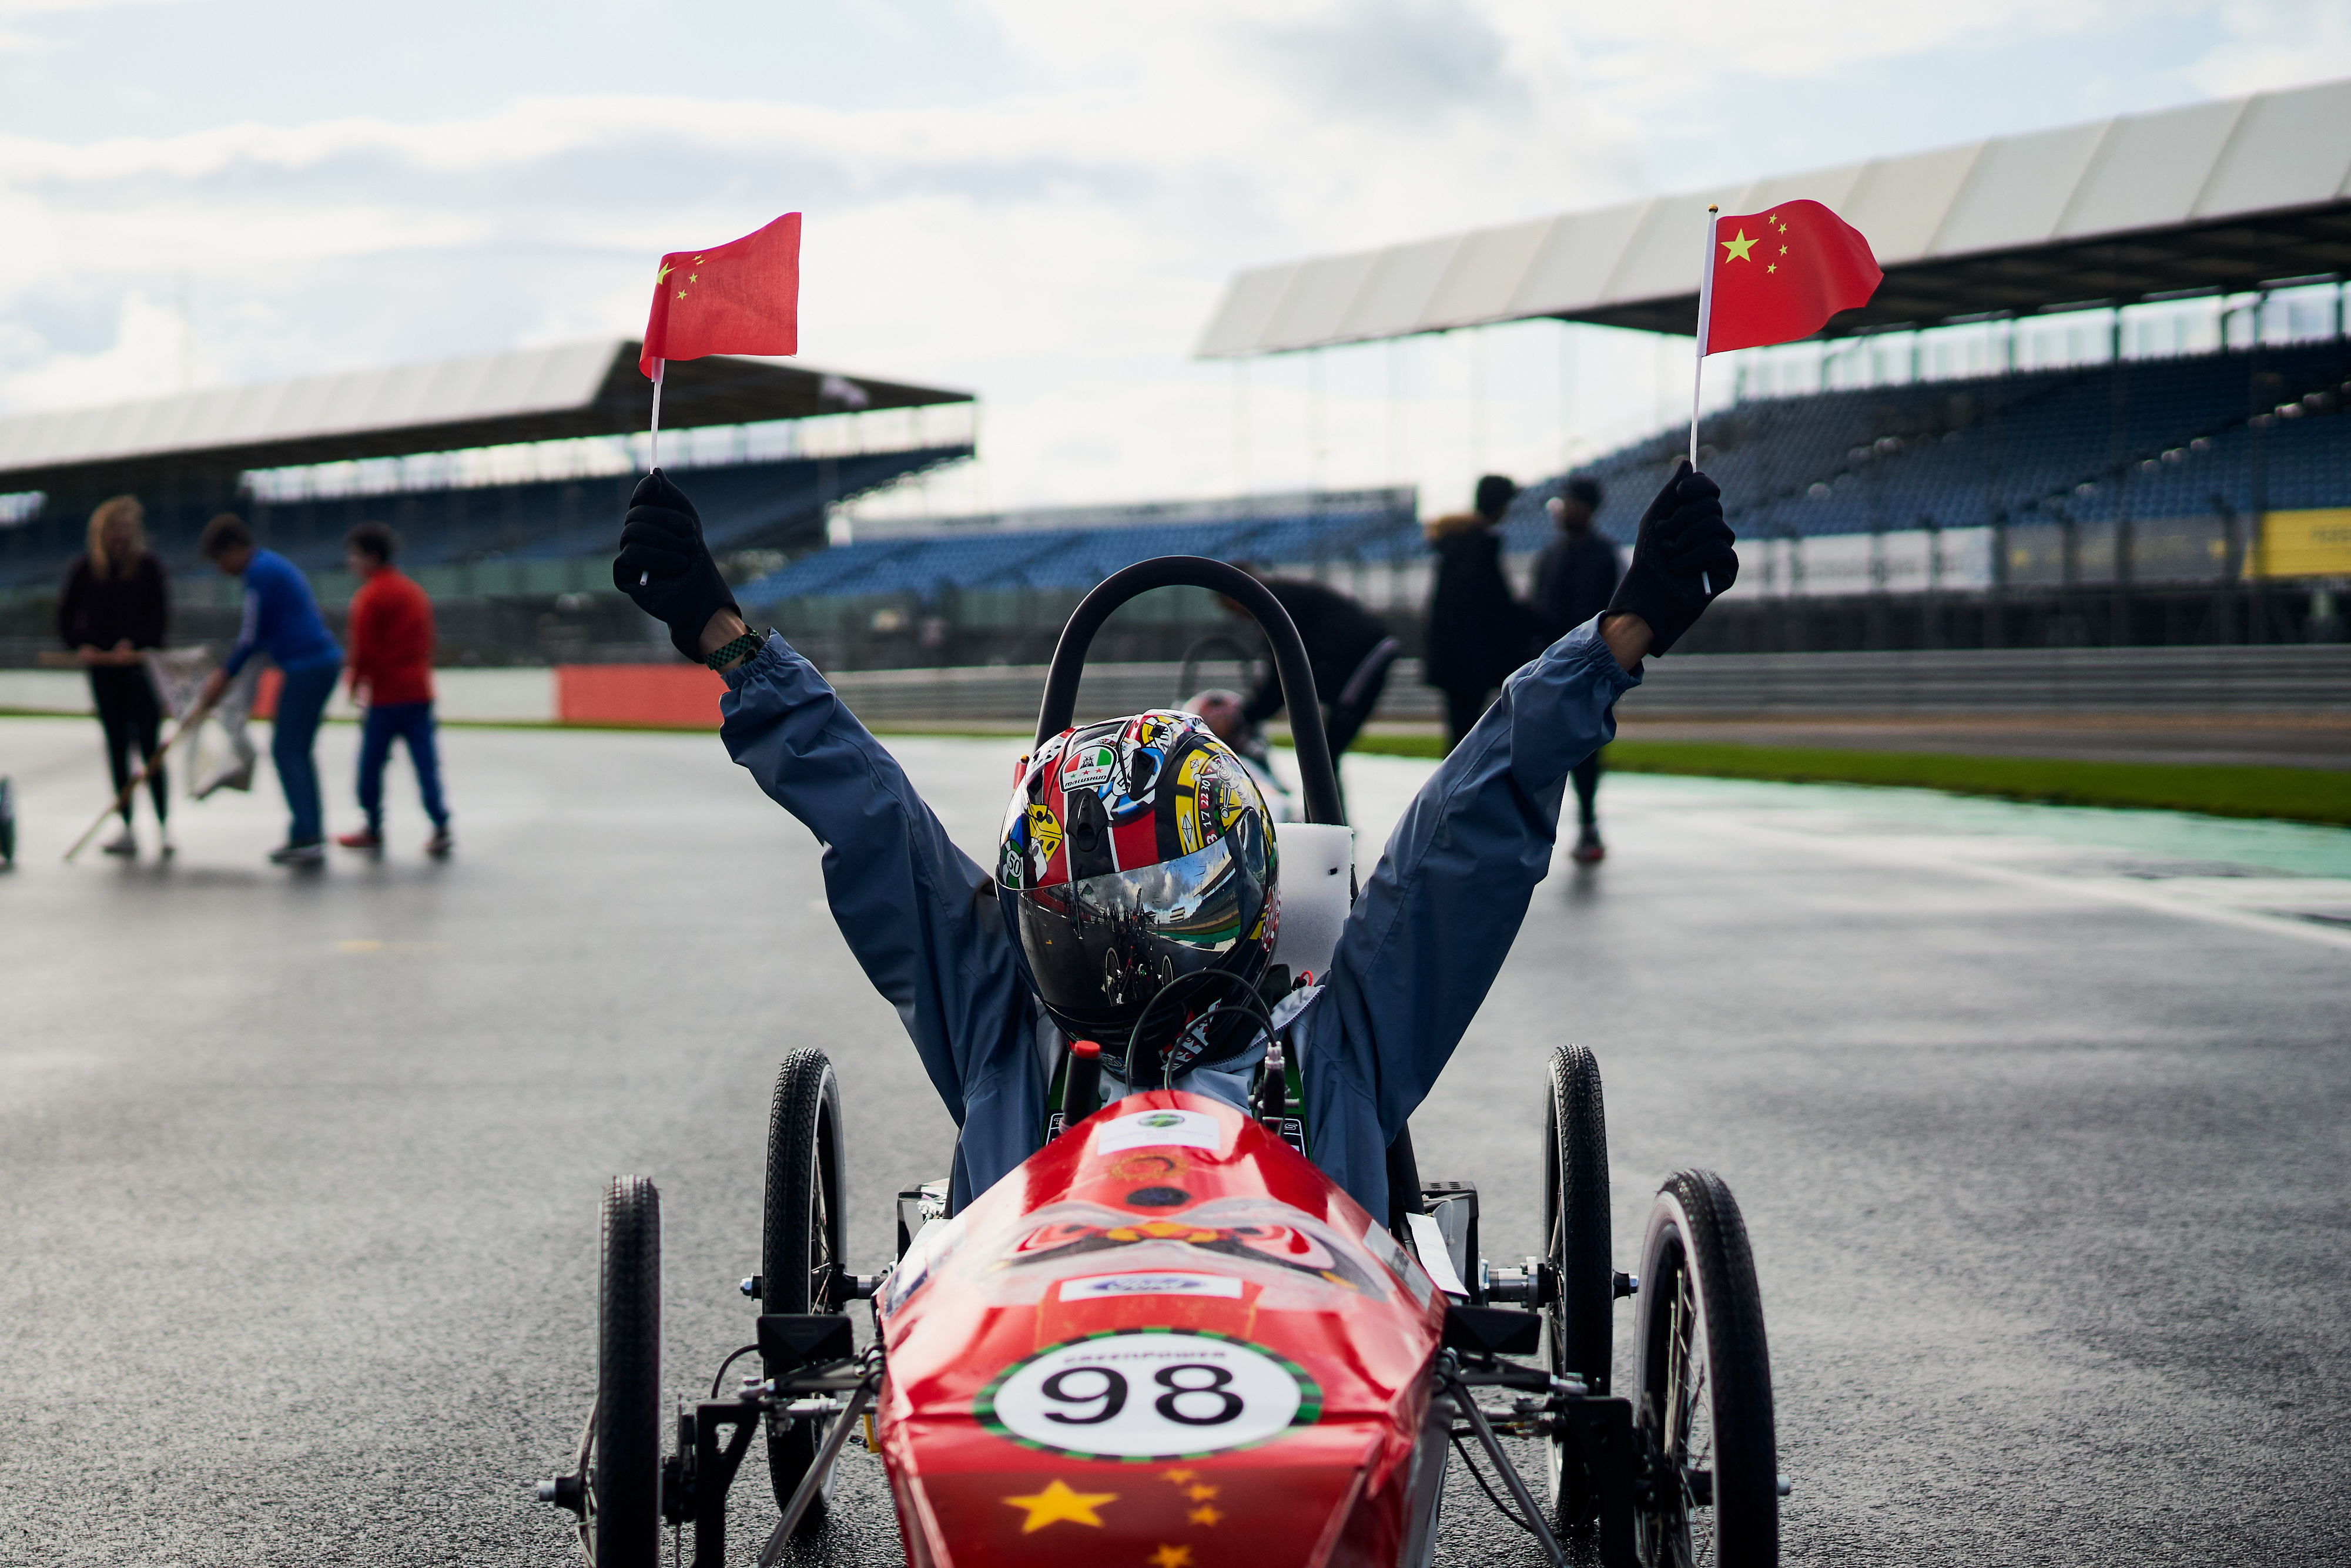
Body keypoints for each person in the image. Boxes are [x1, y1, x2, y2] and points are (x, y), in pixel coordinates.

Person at [613, 460, 1737, 1220]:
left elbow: (1469, 822)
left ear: (1256, 896)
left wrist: (1619, 636)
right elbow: (871, 820)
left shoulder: (1331, 1019)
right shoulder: (1006, 1018)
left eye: (1172, 905)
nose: (1129, 960)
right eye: (1094, 921)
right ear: (1030, 918)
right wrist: (727, 639)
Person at [198, 514, 342, 866]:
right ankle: (306, 832)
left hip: (307, 665)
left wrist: (222, 676)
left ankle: (308, 834)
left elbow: (251, 636)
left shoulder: (260, 573)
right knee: (296, 749)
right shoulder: (269, 567)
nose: (221, 570)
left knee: (287, 749)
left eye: (221, 560)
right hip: (316, 663)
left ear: (234, 549)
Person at [57, 496, 173, 858]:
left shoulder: (148, 567)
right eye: (112, 530)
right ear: (101, 533)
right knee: (117, 747)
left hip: (140, 670)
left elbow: (160, 620)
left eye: (125, 529)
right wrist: (83, 645)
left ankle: (164, 825)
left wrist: (135, 644)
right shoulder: (85, 569)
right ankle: (127, 826)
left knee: (151, 748)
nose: (119, 537)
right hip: (105, 672)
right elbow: (65, 618)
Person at [334, 522, 452, 858]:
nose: (351, 563)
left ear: (371, 557)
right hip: (418, 692)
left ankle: (372, 827)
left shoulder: (370, 596)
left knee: (370, 766)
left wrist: (354, 684)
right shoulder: (414, 591)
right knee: (426, 764)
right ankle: (440, 825)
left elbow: (364, 650)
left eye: (354, 556)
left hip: (386, 698)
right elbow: (429, 641)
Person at [1218, 570, 1400, 763]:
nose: (1237, 615)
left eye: (1231, 607)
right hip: (1353, 655)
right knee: (1324, 754)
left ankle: (1323, 791)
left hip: (1366, 653)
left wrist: (1243, 718)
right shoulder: (1279, 597)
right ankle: (1323, 790)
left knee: (1327, 753)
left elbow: (1283, 677)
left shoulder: (1274, 604)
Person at [1533, 478, 1623, 864]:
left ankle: (1588, 823)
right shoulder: (1550, 556)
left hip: (1590, 666)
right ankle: (1537, 829)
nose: (1562, 510)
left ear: (1587, 507)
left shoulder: (1603, 554)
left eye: (1569, 503)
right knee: (1542, 748)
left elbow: (1613, 612)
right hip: (1553, 665)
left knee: (1586, 750)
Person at [1422, 473, 1533, 755]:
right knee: (1466, 741)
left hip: (1456, 659)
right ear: (1500, 505)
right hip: (1470, 660)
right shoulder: (1478, 547)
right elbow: (1496, 607)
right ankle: (1456, 798)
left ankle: (1453, 796)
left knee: (1461, 736)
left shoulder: (1457, 546)